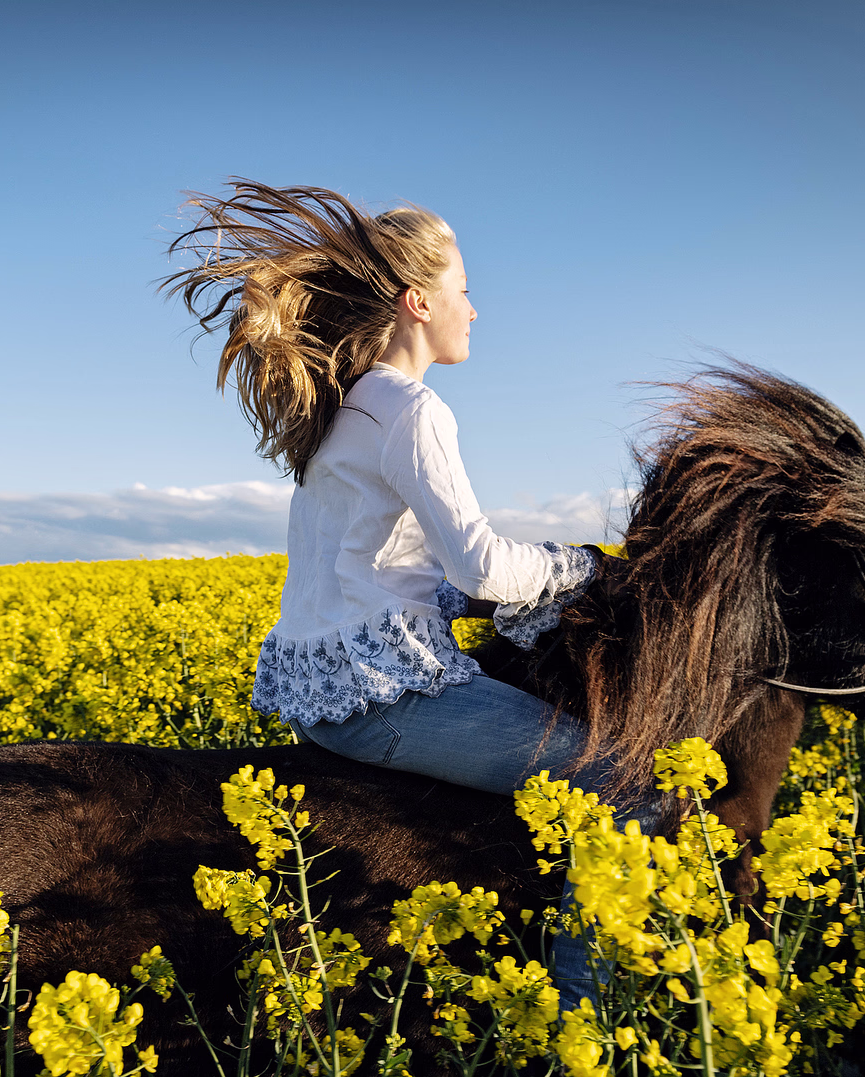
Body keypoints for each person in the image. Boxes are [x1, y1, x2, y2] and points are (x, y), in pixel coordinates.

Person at [163, 180, 656, 1008]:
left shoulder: (348, 408)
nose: (475, 308)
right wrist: (581, 566)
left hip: (329, 694)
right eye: (465, 289)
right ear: (418, 300)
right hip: (382, 700)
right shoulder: (412, 409)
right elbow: (480, 567)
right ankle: (584, 1015)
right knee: (627, 780)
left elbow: (391, 573)